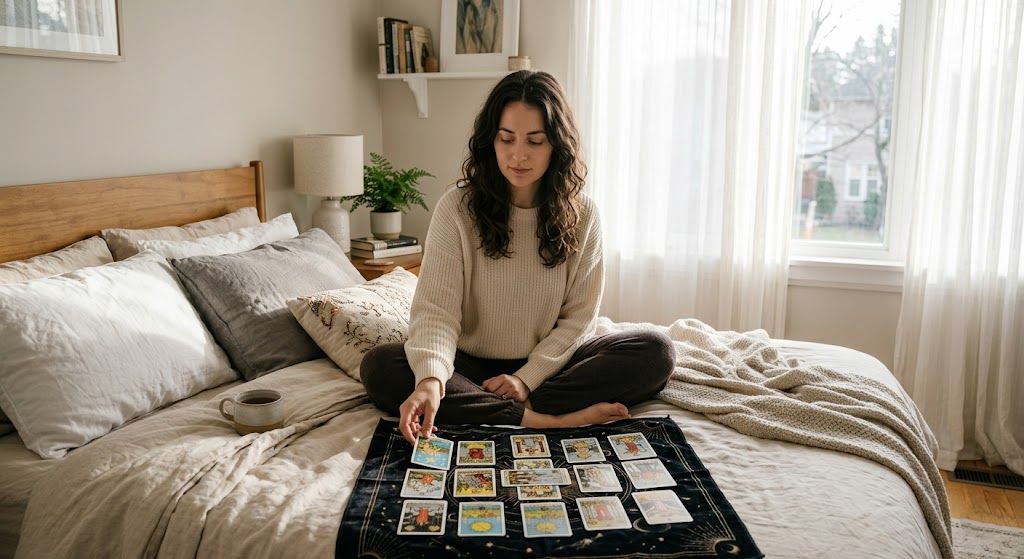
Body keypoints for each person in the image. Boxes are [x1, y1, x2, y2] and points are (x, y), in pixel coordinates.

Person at [360, 70, 676, 444]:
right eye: (506, 138)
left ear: (556, 145)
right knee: (381, 367)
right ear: (490, 141)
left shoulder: (584, 215)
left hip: (549, 367)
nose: (518, 155)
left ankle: (501, 408)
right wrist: (430, 380)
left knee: (656, 352)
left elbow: (578, 320)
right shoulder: (456, 208)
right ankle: (549, 420)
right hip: (470, 367)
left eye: (535, 141)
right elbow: (436, 311)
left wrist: (526, 379)